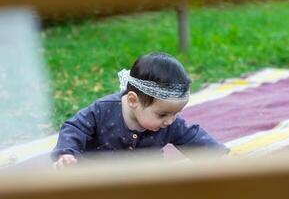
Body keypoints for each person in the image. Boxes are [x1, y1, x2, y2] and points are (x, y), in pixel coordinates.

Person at [52, 52, 228, 169]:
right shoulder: (103, 110)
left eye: (176, 113)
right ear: (133, 100)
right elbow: (74, 128)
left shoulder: (170, 123)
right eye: (162, 114)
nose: (170, 120)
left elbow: (192, 137)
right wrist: (67, 154)